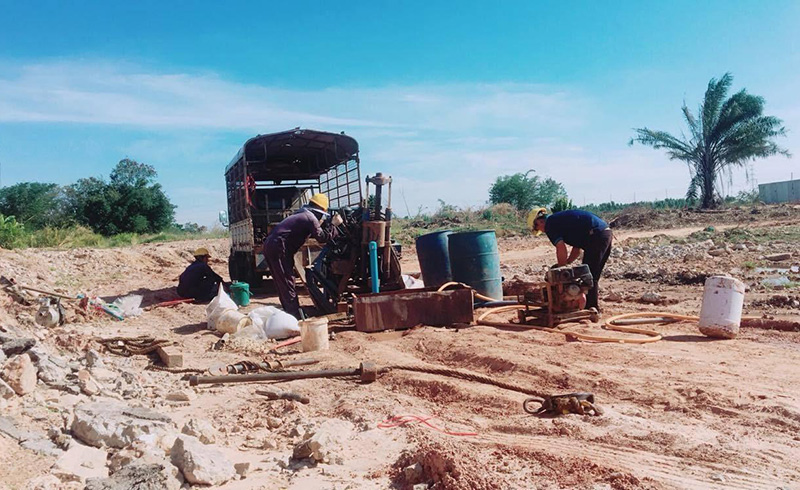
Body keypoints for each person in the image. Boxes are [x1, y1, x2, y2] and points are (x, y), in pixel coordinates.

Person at [263, 193, 343, 318]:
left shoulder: (303, 214)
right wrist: (334, 225)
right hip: (279, 247)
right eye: (322, 214)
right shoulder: (310, 217)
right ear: (320, 210)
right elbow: (322, 237)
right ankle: (295, 316)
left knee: (283, 282)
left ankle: (290, 313)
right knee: (287, 281)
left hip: (273, 246)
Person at [528, 207, 613, 311]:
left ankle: (590, 308)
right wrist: (567, 262)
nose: (541, 231)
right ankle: (591, 306)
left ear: (539, 222)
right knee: (592, 275)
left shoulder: (550, 224)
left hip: (596, 235)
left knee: (587, 276)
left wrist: (561, 270)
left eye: (537, 228)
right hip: (605, 233)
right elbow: (576, 249)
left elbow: (561, 247)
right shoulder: (561, 221)